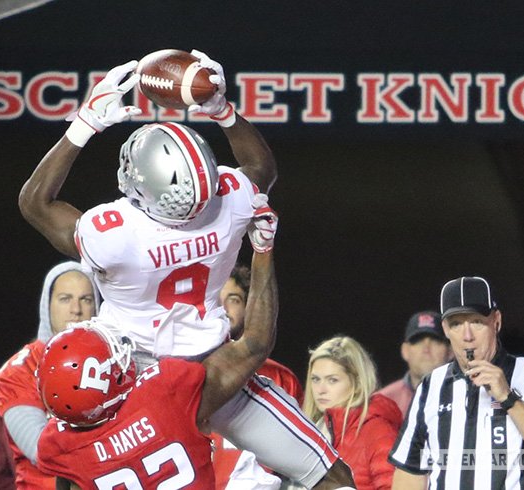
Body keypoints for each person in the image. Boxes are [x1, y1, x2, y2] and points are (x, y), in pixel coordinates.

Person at [19, 51, 340, 488]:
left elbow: (35, 203)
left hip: (124, 375)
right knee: (330, 476)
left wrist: (85, 124)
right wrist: (222, 110)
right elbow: (261, 169)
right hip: (213, 368)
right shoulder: (231, 199)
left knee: (79, 465)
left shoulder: (113, 232)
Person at [35, 249, 356, 490]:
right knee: (330, 477)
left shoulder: (57, 447)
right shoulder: (164, 393)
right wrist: (262, 250)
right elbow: (256, 344)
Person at [390, 276, 524, 490]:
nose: (467, 336)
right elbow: (411, 472)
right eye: (456, 324)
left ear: (496, 321)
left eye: (477, 322)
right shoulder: (431, 386)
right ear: (446, 329)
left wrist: (509, 399)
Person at [0, 262, 100, 489]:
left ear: (97, 306)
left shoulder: (119, 362)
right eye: (65, 298)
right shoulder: (19, 370)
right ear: (47, 306)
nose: (76, 310)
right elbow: (40, 450)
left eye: (86, 299)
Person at [213, 263, 305, 489]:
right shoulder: (175, 371)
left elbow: (298, 450)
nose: (223, 307)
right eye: (215, 299)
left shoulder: (281, 377)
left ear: (248, 308)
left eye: (233, 299)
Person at [304, 336, 402, 490]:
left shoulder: (377, 430)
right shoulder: (313, 429)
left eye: (332, 380)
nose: (320, 390)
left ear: (357, 382)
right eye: (315, 379)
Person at [376, 311, 453, 417]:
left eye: (436, 341)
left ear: (450, 351)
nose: (426, 349)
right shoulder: (382, 401)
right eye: (417, 341)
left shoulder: (466, 395)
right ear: (405, 350)